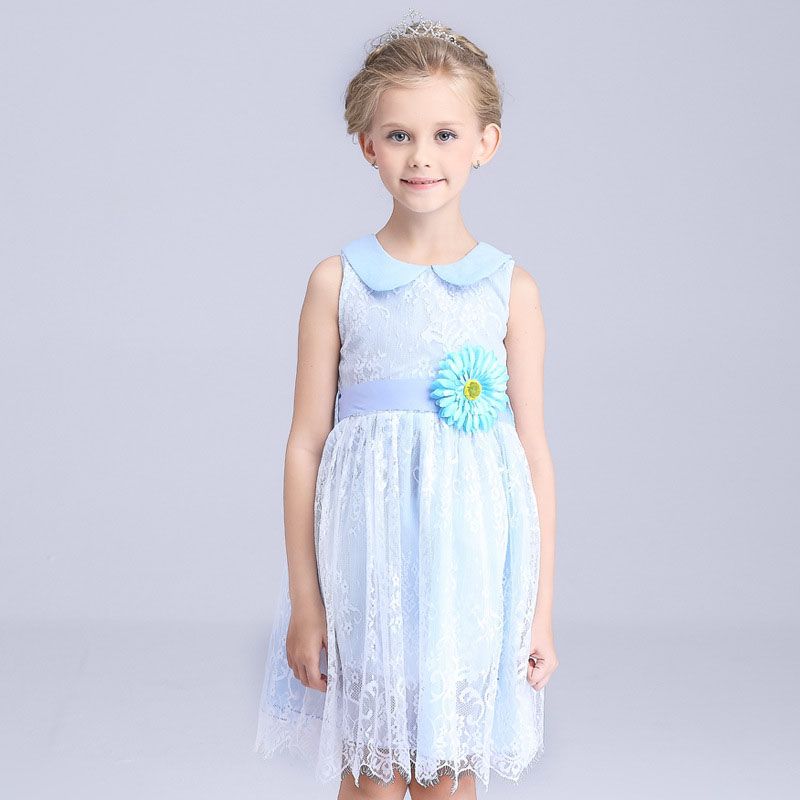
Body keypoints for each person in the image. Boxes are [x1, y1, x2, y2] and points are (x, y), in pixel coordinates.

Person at [254, 10, 558, 799]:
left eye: (445, 135)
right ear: (367, 144)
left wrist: (538, 610)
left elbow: (532, 454)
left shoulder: (510, 290)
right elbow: (305, 445)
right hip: (370, 570)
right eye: (399, 136)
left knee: (452, 773)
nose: (421, 156)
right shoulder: (339, 282)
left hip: (473, 572)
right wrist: (306, 602)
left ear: (485, 142)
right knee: (372, 769)